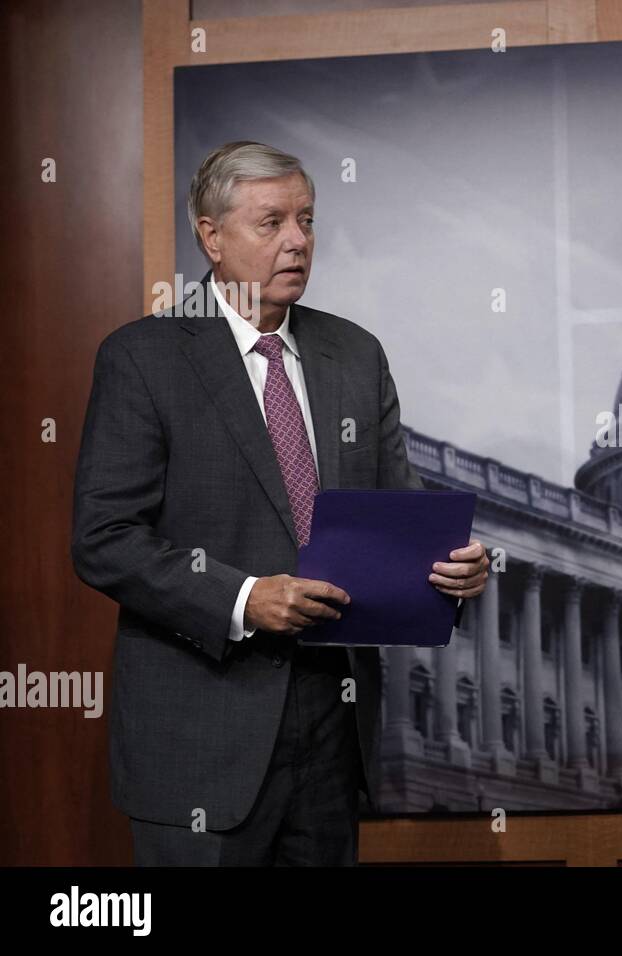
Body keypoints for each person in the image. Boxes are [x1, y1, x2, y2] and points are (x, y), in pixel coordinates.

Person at [71, 141, 488, 865]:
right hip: (201, 736)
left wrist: (457, 567)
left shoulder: (355, 356)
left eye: (307, 219)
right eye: (272, 223)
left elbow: (403, 516)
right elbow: (103, 538)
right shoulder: (142, 357)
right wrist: (243, 599)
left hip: (334, 731)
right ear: (210, 235)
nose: (298, 240)